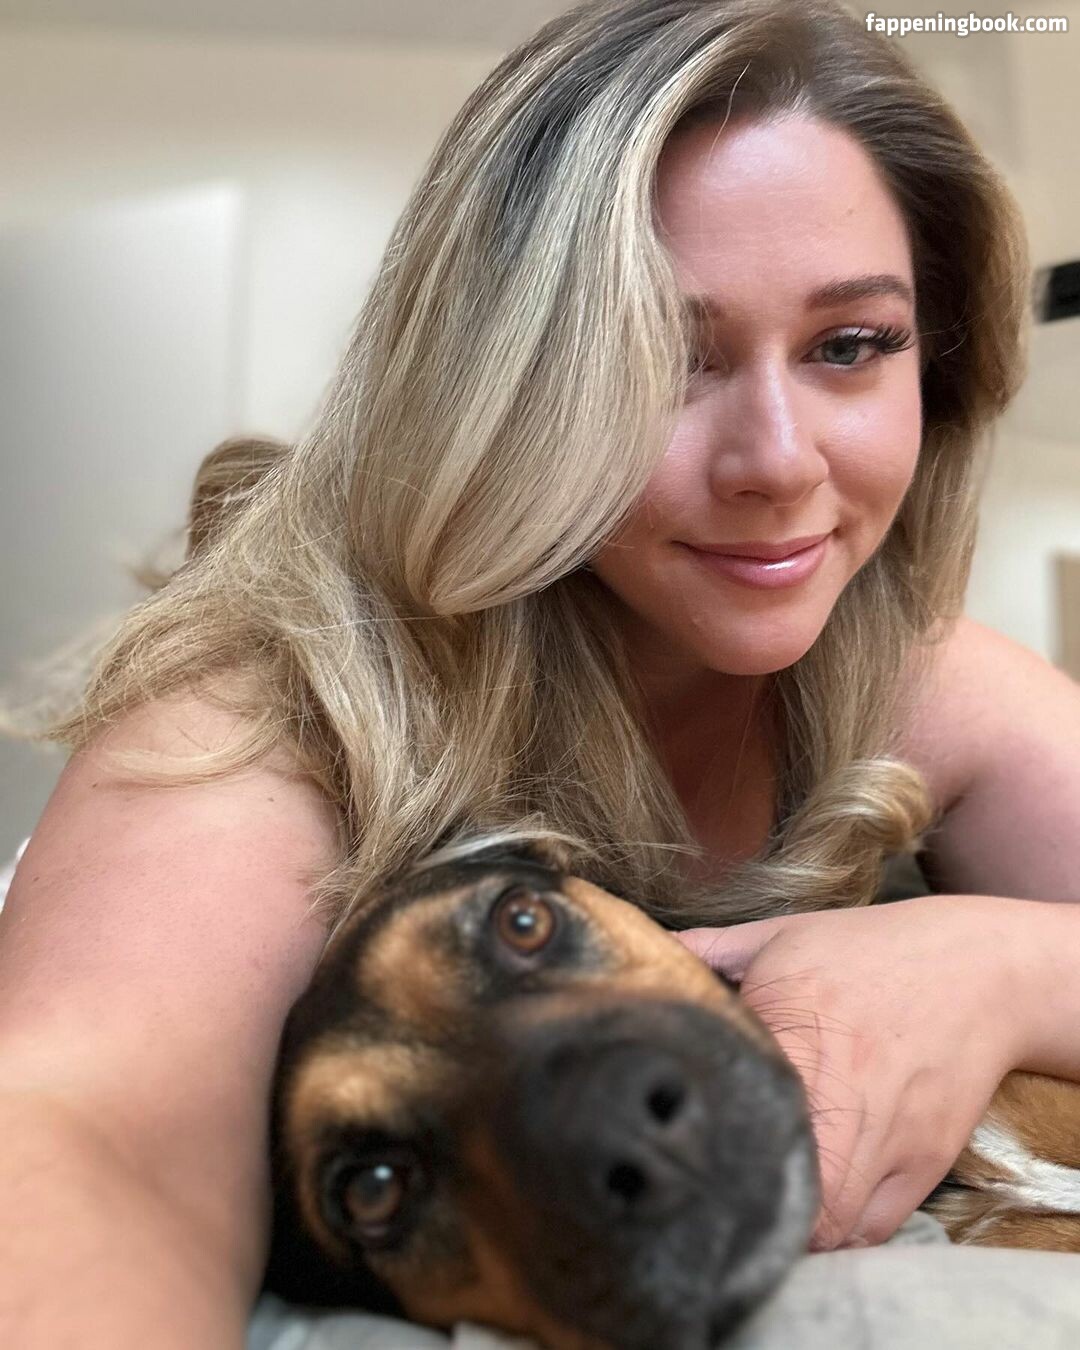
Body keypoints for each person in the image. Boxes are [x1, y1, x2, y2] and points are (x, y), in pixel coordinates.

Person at [1, 0, 1078, 1345]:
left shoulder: (918, 676)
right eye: (657, 356)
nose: (778, 461)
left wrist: (1004, 964)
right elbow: (93, 1138)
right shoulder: (275, 709)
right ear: (500, 387)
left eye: (850, 346)